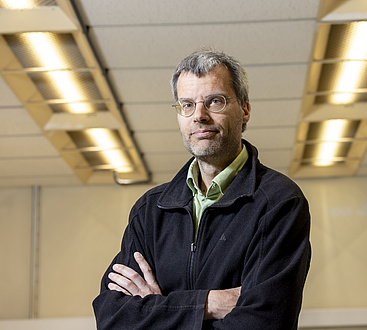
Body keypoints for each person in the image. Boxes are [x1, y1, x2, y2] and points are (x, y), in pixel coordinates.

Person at [92, 49, 311, 329]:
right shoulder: (150, 210)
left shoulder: (278, 202)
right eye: (187, 105)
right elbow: (113, 317)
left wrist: (157, 309)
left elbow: (264, 322)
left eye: (214, 102)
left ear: (244, 110)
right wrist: (209, 304)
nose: (199, 116)